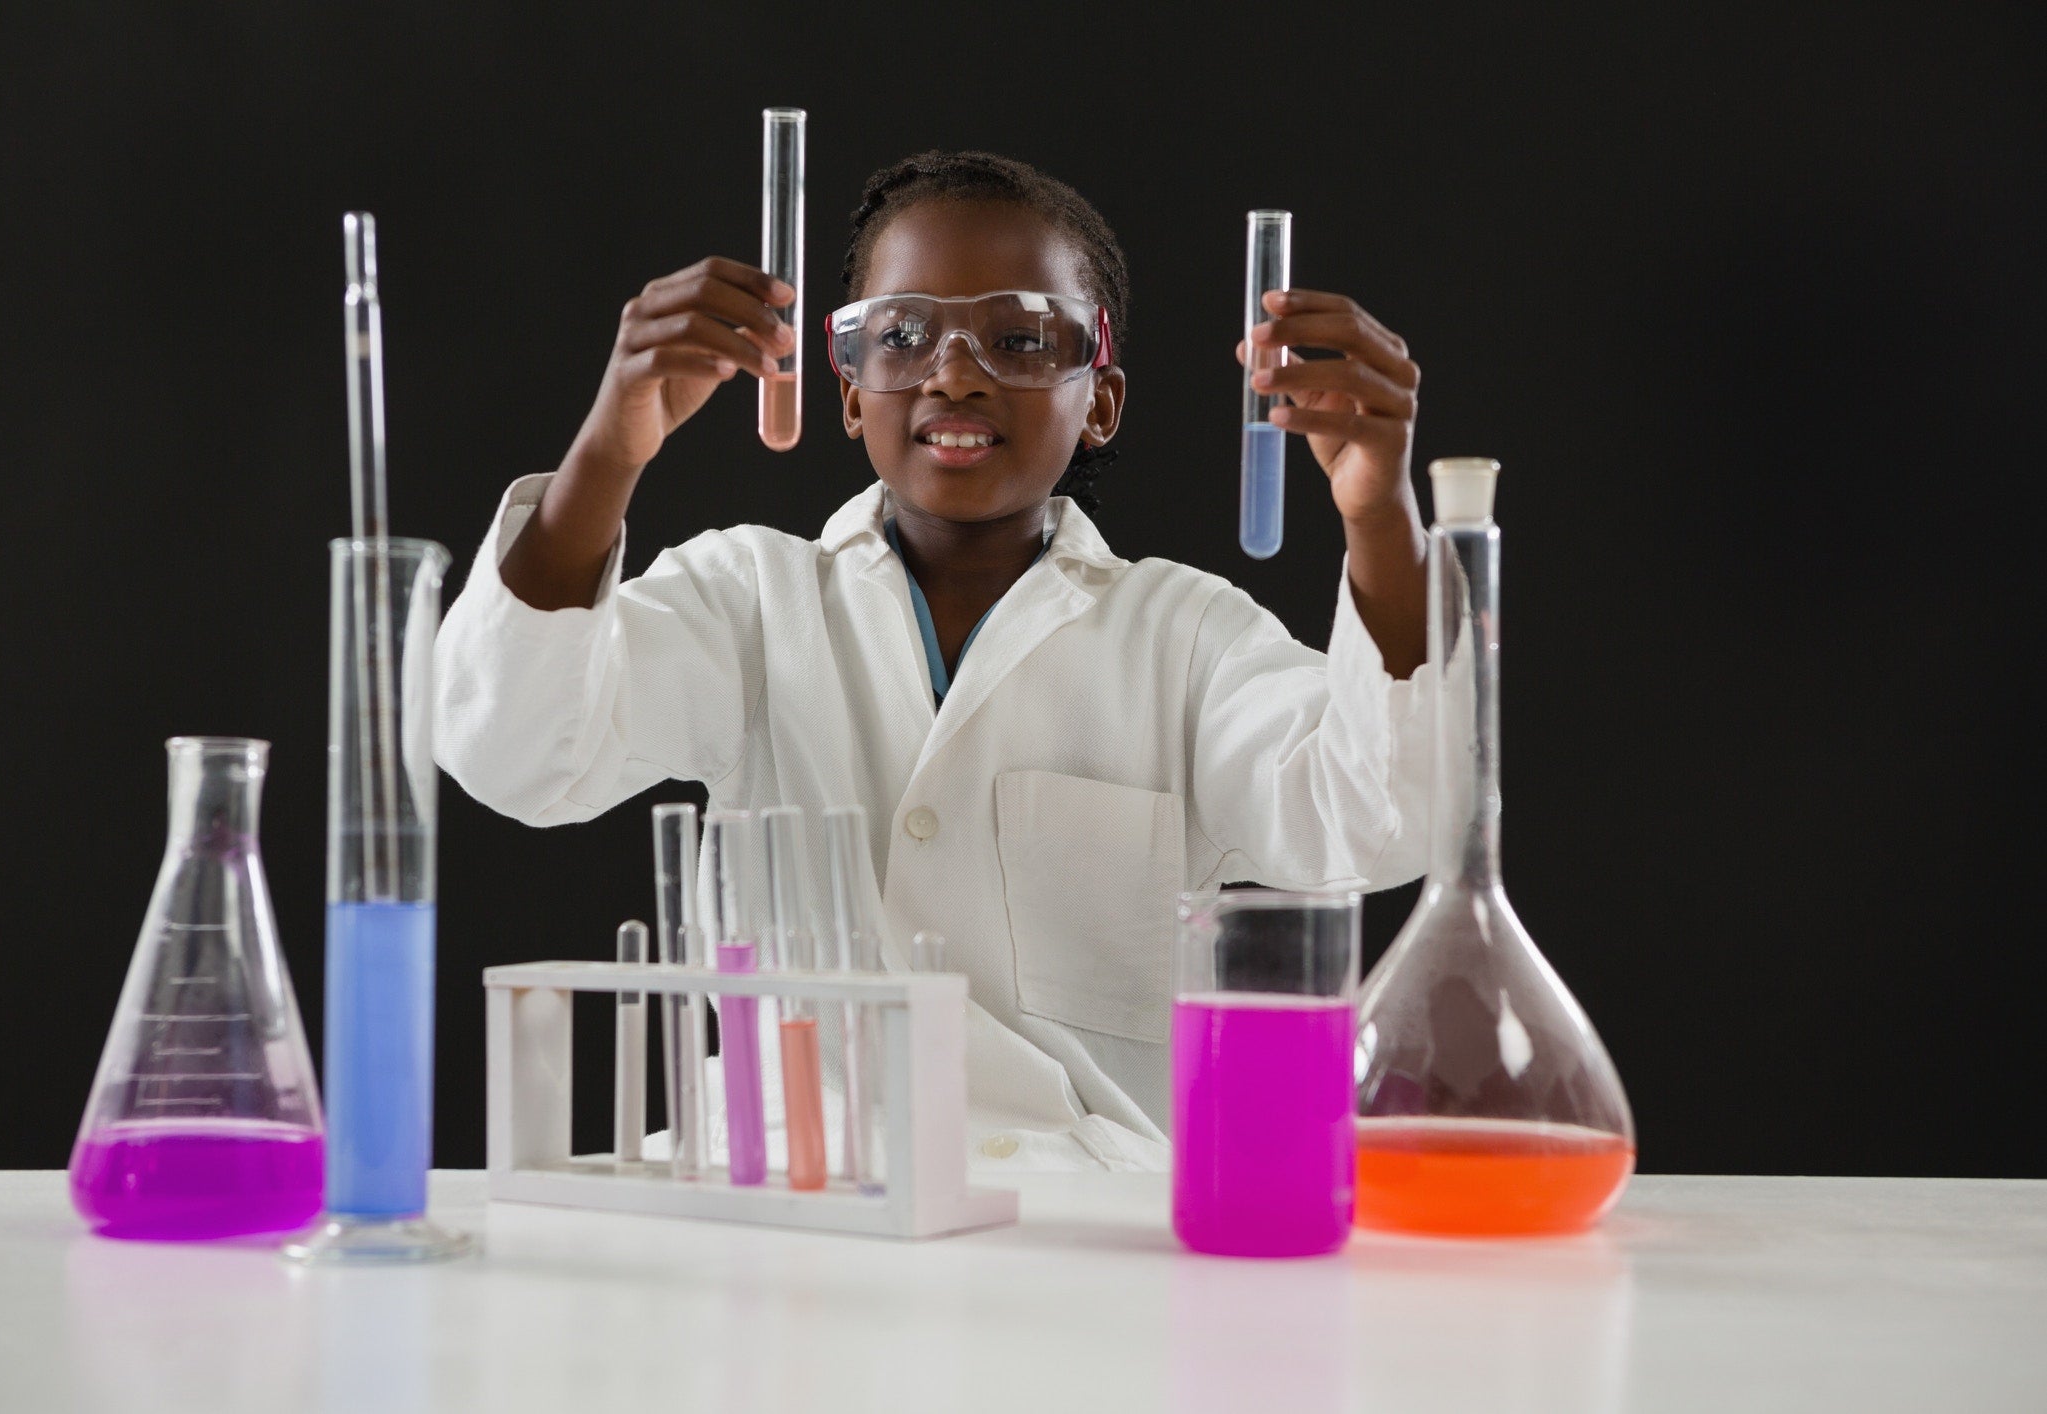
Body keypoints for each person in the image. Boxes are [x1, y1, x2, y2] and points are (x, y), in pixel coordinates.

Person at [435, 150, 1434, 1171]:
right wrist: (611, 449)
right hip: (789, 1207)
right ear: (850, 393)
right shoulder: (749, 601)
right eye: (903, 336)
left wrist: (1379, 517)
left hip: (1069, 1234)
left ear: (1101, 401)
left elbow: (1381, 815)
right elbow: (510, 748)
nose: (955, 372)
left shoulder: (1183, 637)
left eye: (1022, 338)